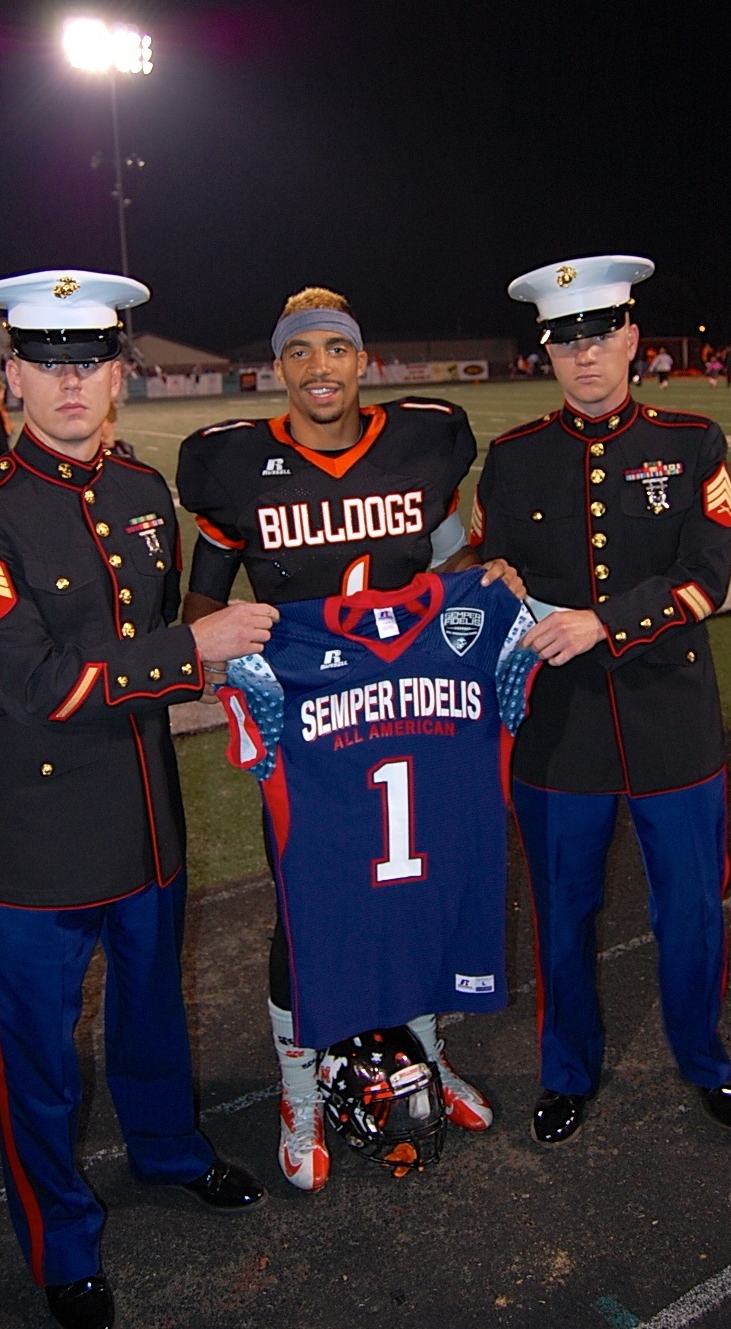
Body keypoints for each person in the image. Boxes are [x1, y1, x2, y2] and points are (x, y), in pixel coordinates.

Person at [0, 269, 279, 1329]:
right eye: (49, 362)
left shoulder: (140, 492)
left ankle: (171, 1151)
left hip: (144, 815)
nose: (72, 382)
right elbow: (38, 686)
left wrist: (215, 661)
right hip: (33, 836)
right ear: (14, 376)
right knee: (37, 1060)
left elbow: (151, 655)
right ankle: (60, 1244)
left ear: (121, 372)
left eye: (92, 361)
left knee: (151, 1016)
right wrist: (194, 647)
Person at [177, 286, 521, 1192]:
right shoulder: (235, 466)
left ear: (363, 362)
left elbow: (450, 561)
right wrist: (225, 664)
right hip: (309, 729)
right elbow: (204, 602)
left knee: (414, 890)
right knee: (306, 907)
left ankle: (422, 1059)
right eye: (300, 353)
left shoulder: (423, 442)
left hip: (416, 709)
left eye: (336, 349)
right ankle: (301, 1090)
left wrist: (486, 587)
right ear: (277, 368)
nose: (318, 368)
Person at [473, 254, 731, 1146]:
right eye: (566, 341)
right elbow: (485, 569)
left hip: (671, 719)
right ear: (546, 352)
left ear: (633, 339)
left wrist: (604, 622)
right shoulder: (514, 460)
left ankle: (704, 1060)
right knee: (561, 912)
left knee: (693, 907)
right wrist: (487, 579)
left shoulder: (691, 442)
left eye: (600, 336)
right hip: (561, 732)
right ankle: (566, 1073)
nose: (585, 357)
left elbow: (705, 579)